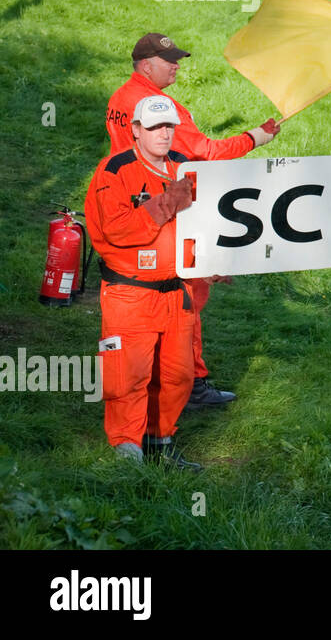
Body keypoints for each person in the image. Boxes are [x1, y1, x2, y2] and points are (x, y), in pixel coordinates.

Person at [106, 33, 279, 412]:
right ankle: (191, 385)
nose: (177, 65)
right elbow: (206, 154)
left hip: (134, 210)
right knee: (188, 299)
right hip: (171, 212)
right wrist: (256, 137)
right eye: (169, 60)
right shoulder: (161, 106)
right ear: (146, 64)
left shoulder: (119, 100)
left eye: (177, 59)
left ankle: (148, 381)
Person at [86, 95, 199, 469]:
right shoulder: (114, 172)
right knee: (129, 375)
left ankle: (161, 443)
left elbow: (205, 226)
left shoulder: (185, 168)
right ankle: (127, 450)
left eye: (169, 126)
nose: (163, 134)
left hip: (176, 294)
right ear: (136, 130)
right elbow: (118, 231)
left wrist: (211, 262)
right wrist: (167, 203)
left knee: (177, 375)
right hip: (130, 293)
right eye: (154, 127)